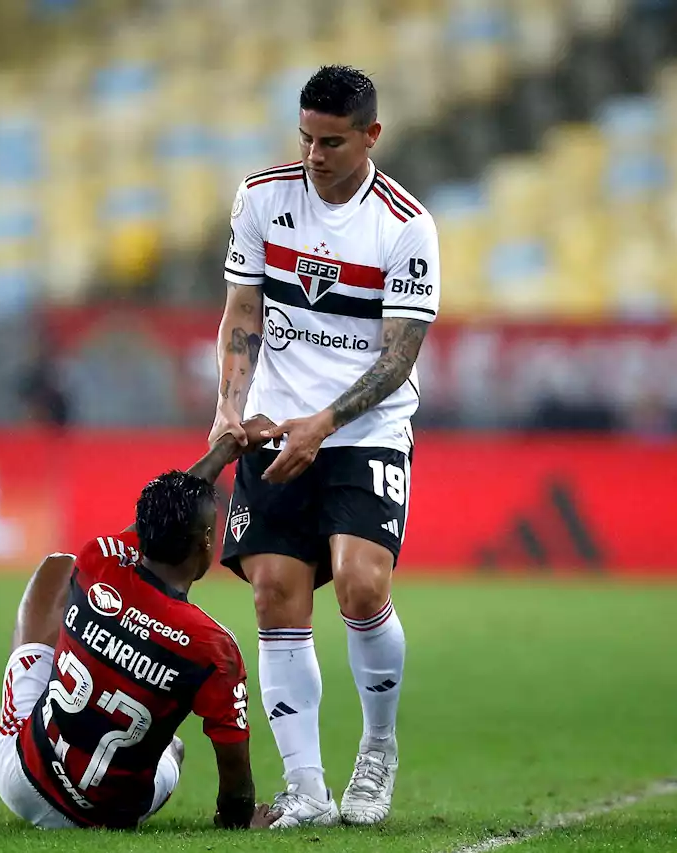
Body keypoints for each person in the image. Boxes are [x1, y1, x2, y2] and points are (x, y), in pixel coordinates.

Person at [210, 65, 441, 828]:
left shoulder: (405, 225)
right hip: (277, 423)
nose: (314, 154)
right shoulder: (261, 196)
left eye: (332, 141)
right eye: (306, 137)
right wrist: (230, 405)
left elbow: (397, 356)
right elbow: (243, 304)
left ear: (371, 135)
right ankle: (305, 786)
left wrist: (325, 423)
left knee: (360, 585)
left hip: (364, 428)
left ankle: (377, 748)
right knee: (274, 590)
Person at [0, 419, 281, 830]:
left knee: (57, 566)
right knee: (172, 750)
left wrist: (224, 451)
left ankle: (43, 708)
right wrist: (239, 819)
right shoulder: (213, 648)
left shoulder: (99, 560)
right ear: (207, 544)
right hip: (104, 817)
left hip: (20, 777)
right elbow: (234, 773)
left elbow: (154, 520)